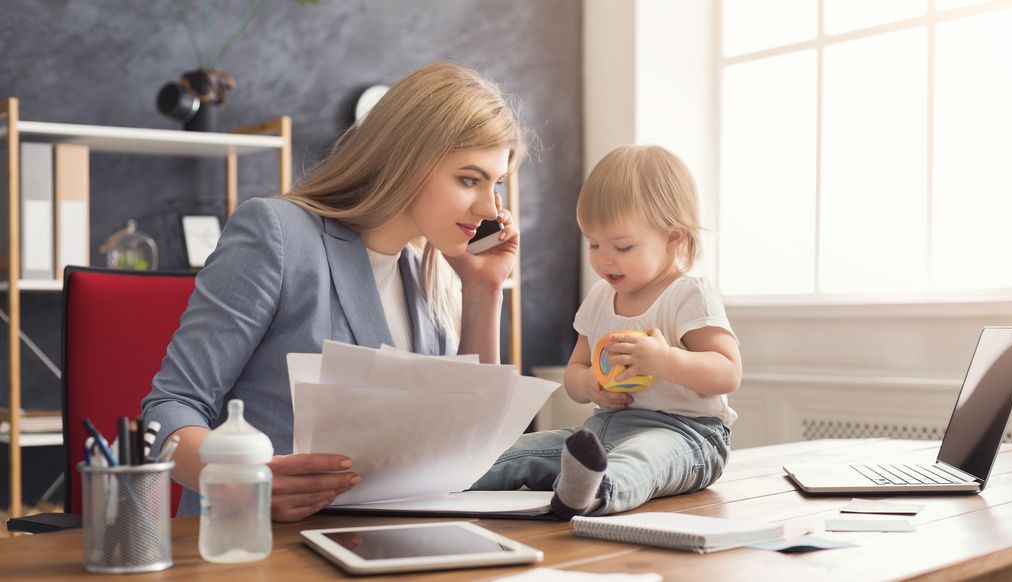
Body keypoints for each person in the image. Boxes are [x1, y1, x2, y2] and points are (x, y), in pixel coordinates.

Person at [141, 62, 527, 521]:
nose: (488, 208)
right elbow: (167, 410)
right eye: (469, 179)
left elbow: (468, 443)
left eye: (496, 184)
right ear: (405, 160)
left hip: (393, 539)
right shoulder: (278, 234)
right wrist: (239, 478)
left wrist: (483, 290)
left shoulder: (431, 270)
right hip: (259, 537)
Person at [471, 145, 741, 519]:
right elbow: (575, 373)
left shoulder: (688, 294)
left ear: (673, 238)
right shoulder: (600, 297)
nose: (603, 259)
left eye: (623, 246)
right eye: (594, 244)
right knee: (518, 451)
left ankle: (595, 491)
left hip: (689, 435)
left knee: (643, 458)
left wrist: (664, 359)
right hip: (604, 429)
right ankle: (448, 479)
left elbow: (728, 373)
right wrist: (591, 385)